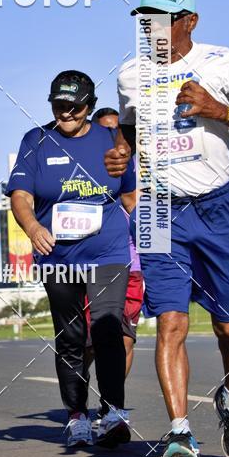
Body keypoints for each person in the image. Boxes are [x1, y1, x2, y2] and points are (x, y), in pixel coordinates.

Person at [105, 0, 229, 457]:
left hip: (219, 208)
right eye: (144, 21)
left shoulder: (222, 63)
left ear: (189, 21)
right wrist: (124, 155)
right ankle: (180, 433)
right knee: (170, 320)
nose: (152, 29)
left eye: (161, 19)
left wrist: (218, 110)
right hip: (160, 209)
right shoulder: (129, 76)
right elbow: (126, 128)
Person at [6, 71, 137, 449]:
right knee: (72, 337)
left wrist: (159, 240)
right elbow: (20, 195)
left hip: (108, 252)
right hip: (59, 256)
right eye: (58, 105)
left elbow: (130, 196)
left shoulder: (111, 140)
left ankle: (113, 414)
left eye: (73, 106)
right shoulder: (36, 141)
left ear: (89, 107)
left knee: (109, 327)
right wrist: (32, 228)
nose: (65, 112)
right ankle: (76, 415)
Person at [89, 107, 145, 384]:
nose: (115, 136)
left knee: (126, 340)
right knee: (89, 342)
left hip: (133, 267)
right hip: (95, 267)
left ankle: (112, 406)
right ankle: (79, 404)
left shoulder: (145, 168)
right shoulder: (87, 168)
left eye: (118, 130)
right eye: (107, 131)